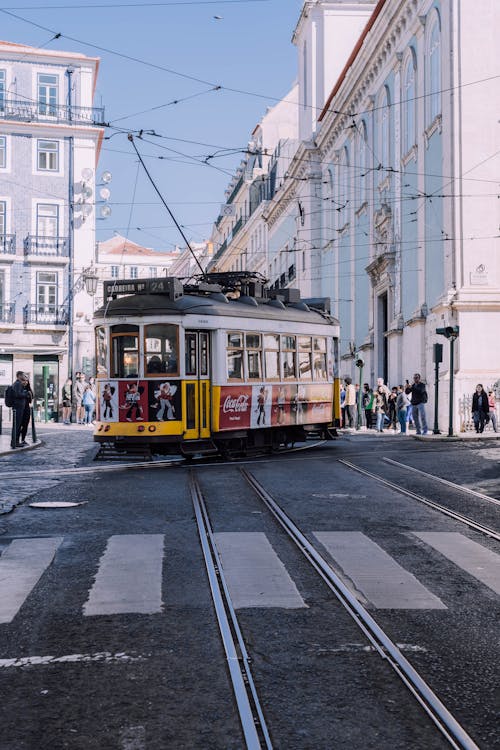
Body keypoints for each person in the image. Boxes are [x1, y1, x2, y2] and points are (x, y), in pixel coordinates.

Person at [10, 371, 32, 447]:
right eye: (22, 375)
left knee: (18, 425)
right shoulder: (17, 384)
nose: (24, 377)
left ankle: (16, 441)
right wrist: (26, 393)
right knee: (17, 425)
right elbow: (18, 394)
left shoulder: (19, 384)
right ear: (19, 376)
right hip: (18, 407)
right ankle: (15, 442)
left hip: (19, 407)